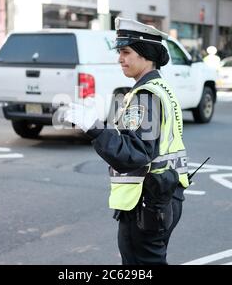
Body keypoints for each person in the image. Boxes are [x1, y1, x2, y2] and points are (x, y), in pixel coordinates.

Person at [63, 17, 189, 265]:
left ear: (146, 54)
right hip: (165, 196)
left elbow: (136, 152)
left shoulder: (145, 96)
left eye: (126, 52)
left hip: (145, 203)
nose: (120, 58)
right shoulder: (161, 88)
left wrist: (96, 129)